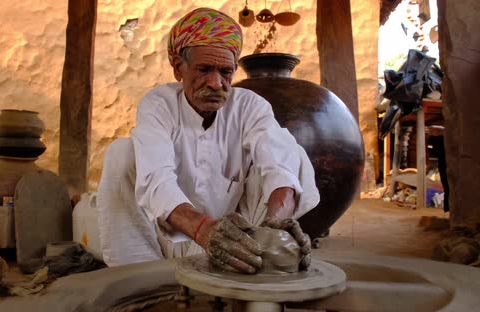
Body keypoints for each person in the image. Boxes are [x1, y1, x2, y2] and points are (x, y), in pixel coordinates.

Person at [97, 7, 320, 274]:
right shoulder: (159, 105)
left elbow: (279, 165)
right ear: (179, 68)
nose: (216, 83)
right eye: (204, 69)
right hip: (167, 240)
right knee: (121, 153)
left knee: (292, 154)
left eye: (226, 72)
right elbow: (156, 179)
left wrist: (276, 225)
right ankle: (140, 281)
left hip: (236, 243)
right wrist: (203, 229)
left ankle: (262, 252)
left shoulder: (249, 107)